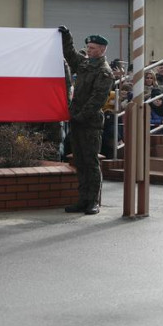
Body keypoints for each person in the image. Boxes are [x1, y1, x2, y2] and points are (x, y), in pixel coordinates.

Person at [58, 27, 113, 215]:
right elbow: (70, 55)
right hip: (77, 119)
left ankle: (93, 201)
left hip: (89, 122)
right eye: (88, 47)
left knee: (90, 162)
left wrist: (79, 116)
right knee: (79, 162)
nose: (89, 51)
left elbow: (97, 99)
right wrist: (67, 36)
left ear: (102, 50)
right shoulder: (84, 64)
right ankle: (82, 199)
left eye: (93, 48)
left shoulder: (104, 72)